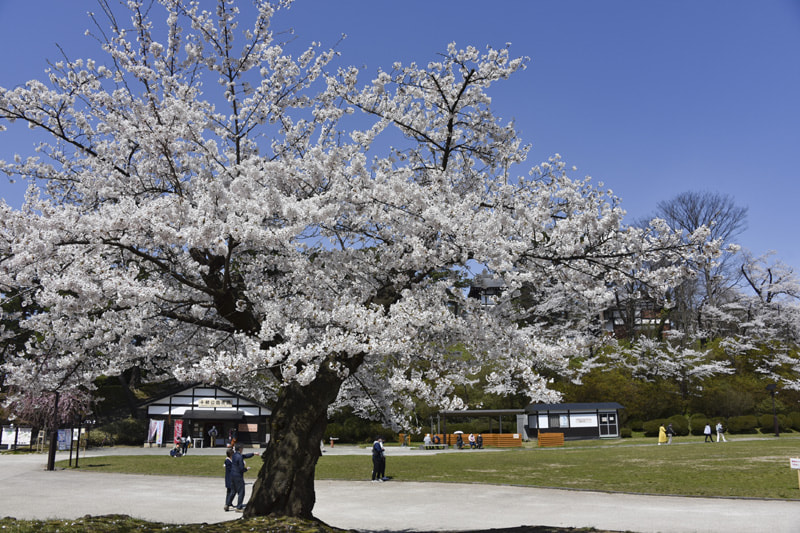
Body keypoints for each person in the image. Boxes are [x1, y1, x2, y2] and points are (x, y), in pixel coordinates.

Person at [225, 443, 260, 512]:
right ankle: (239, 507)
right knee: (241, 492)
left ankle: (227, 504)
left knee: (233, 491)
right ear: (240, 449)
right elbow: (241, 468)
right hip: (238, 476)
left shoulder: (234, 455)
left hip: (232, 475)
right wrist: (246, 469)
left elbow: (245, 456)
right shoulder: (240, 457)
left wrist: (253, 453)